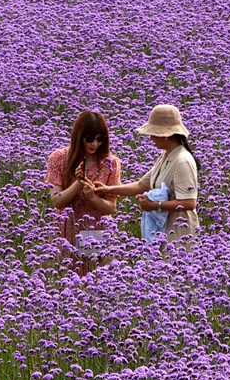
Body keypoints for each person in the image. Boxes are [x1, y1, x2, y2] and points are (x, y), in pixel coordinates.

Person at [101, 104, 201, 242]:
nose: (151, 138)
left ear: (166, 135)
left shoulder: (182, 161)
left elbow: (189, 202)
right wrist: (107, 189)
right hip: (163, 231)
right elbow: (141, 186)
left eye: (153, 133)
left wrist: (155, 206)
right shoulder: (166, 156)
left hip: (179, 235)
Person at [44, 110, 122, 266]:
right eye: (89, 138)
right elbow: (57, 201)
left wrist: (92, 197)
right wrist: (78, 183)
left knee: (94, 277)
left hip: (97, 229)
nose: (95, 144)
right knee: (66, 276)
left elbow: (110, 208)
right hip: (66, 229)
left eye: (100, 139)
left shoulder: (110, 163)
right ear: (79, 136)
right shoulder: (58, 158)